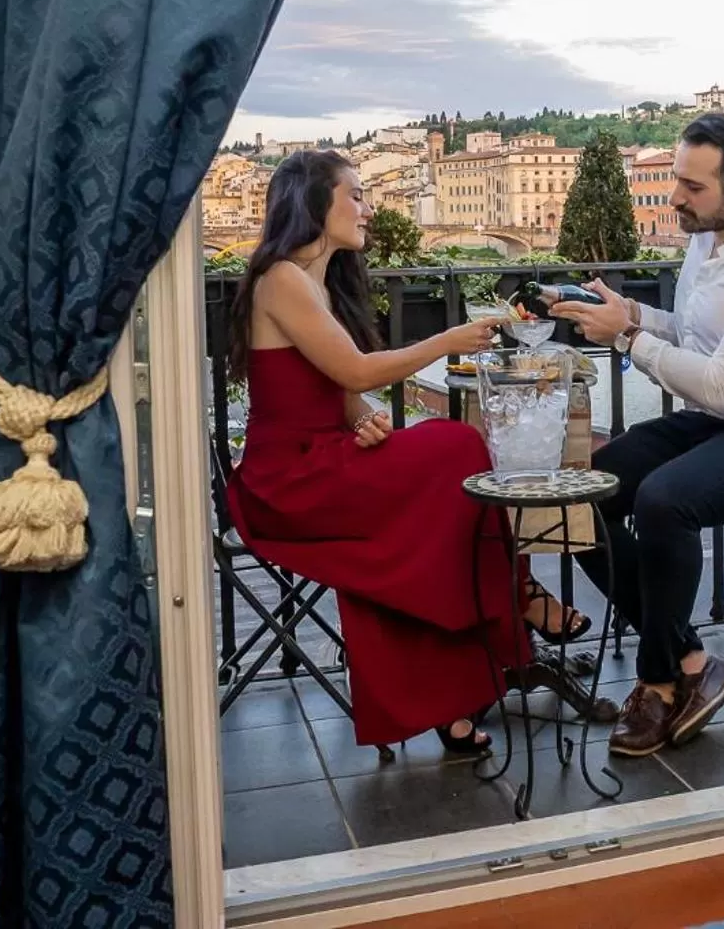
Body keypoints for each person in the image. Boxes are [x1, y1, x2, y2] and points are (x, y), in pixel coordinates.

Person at [225, 148, 583, 757]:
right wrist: (447, 340)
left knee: (430, 521)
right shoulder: (282, 278)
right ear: (315, 203)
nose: (368, 208)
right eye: (356, 195)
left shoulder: (314, 283)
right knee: (457, 447)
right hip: (287, 482)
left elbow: (341, 394)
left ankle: (456, 697)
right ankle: (516, 598)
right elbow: (357, 371)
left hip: (324, 462)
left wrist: (366, 422)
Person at [552, 113, 724, 759]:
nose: (675, 198)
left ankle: (656, 681)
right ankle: (691, 660)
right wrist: (633, 314)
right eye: (675, 180)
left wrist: (625, 338)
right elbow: (692, 334)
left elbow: (723, 385)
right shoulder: (706, 237)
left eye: (692, 187)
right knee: (579, 501)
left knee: (663, 500)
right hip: (709, 420)